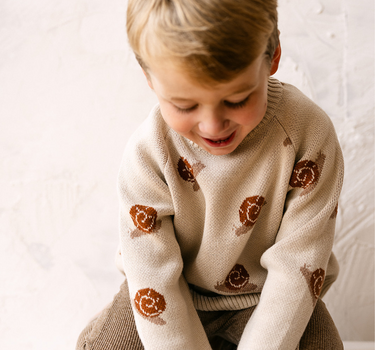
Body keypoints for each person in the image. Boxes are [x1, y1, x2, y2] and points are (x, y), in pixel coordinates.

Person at [76, 0, 344, 349]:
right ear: (150, 80)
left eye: (237, 100)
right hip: (171, 292)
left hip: (270, 295)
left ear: (273, 57)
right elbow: (153, 276)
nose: (213, 125)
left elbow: (297, 269)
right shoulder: (147, 155)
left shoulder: (308, 134)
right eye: (185, 106)